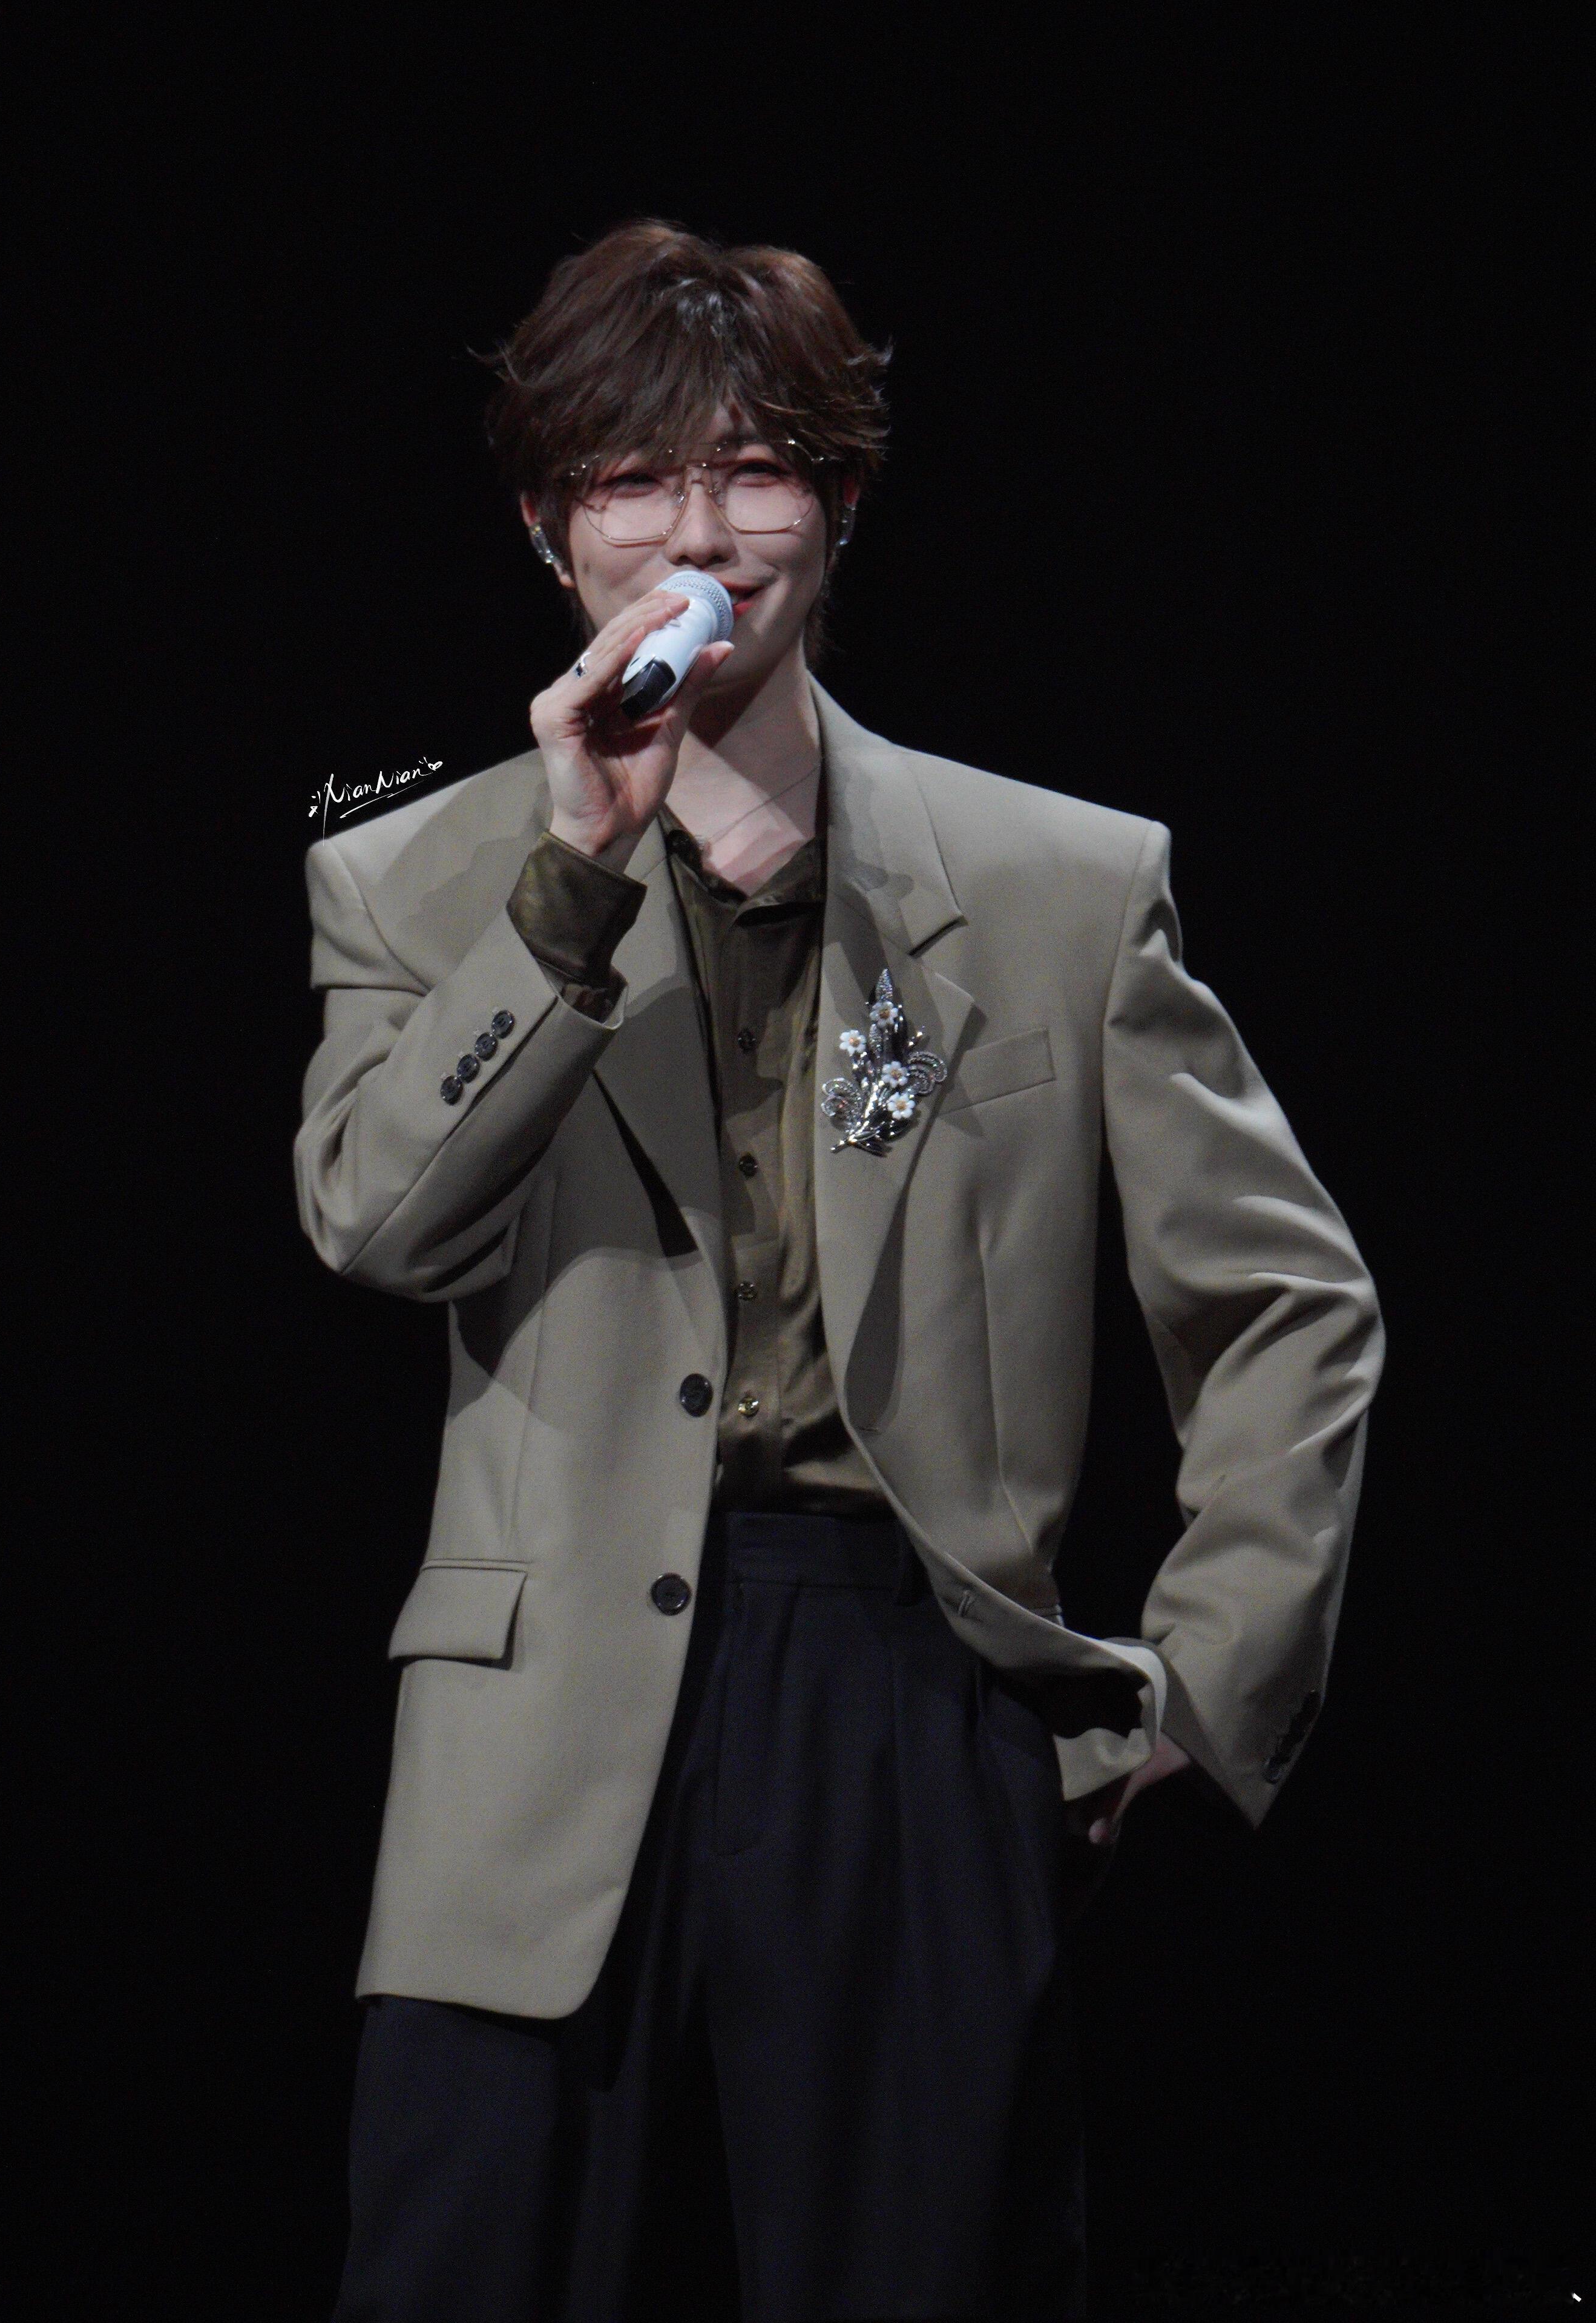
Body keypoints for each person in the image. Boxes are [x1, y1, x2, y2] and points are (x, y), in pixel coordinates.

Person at [295, 220, 1384, 2323]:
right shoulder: (409, 879)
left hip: (901, 1677)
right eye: (632, 480)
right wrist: (572, 878)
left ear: (841, 504)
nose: (697, 535)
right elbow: (379, 1222)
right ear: (547, 529)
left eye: (754, 471)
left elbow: (1286, 1300)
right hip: (535, 1705)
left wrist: (1199, 1683)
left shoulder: (1060, 884)